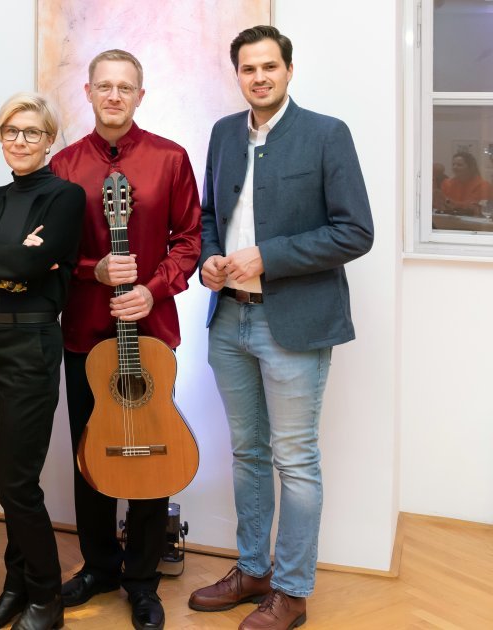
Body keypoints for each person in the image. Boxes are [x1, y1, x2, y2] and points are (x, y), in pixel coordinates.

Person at [189, 26, 373, 630]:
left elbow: (355, 232)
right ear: (237, 75)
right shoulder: (222, 133)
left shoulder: (326, 134)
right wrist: (208, 260)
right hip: (229, 319)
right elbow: (210, 217)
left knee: (294, 460)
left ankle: (292, 592)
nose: (259, 77)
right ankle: (253, 570)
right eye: (248, 68)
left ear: (289, 70)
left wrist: (268, 257)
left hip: (294, 323)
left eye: (269, 66)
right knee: (247, 453)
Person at [49, 49, 201, 630]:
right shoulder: (63, 166)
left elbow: (190, 239)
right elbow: (52, 252)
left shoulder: (171, 159)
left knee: (153, 454)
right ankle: (98, 566)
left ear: (141, 95)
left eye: (125, 87)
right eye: (104, 86)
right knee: (92, 453)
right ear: (88, 92)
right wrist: (95, 270)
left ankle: (142, 577)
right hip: (85, 336)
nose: (114, 96)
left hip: (151, 338)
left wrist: (153, 289)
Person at [0, 92, 84, 630]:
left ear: (49, 140)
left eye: (32, 132)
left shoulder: (65, 197)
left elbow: (32, 267)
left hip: (30, 344)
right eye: (11, 131)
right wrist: (10, 259)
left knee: (17, 482)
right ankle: (16, 587)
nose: (20, 141)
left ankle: (46, 598)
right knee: (8, 480)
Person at [439, 151, 492, 216]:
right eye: (453, 164)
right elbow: (442, 205)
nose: (455, 167)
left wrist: (452, 204)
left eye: (459, 165)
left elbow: (474, 207)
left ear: (470, 167)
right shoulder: (447, 183)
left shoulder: (483, 185)